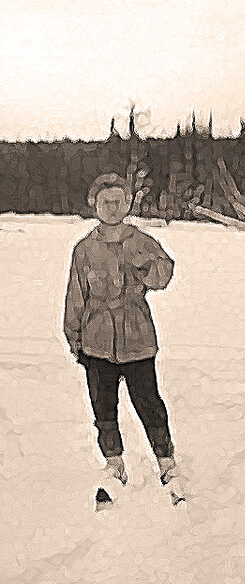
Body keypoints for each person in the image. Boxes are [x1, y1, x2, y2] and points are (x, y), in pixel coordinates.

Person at [64, 173, 180, 507]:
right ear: (94, 205)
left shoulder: (141, 241)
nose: (112, 208)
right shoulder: (84, 249)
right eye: (106, 202)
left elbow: (163, 277)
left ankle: (167, 462)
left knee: (149, 403)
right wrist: (76, 339)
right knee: (104, 408)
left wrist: (146, 265)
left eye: (119, 201)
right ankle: (114, 464)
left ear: (127, 204)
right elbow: (76, 295)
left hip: (137, 339)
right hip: (97, 341)